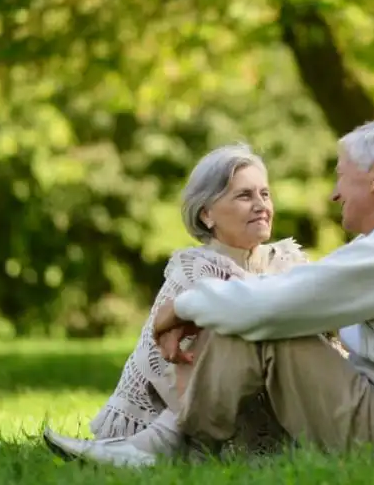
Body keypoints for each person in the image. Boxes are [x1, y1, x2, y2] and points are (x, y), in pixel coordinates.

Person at [147, 120, 374, 459]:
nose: (335, 194)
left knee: (264, 327)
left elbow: (274, 305)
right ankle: (172, 441)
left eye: (341, 177)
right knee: (263, 315)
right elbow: (297, 293)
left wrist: (181, 307)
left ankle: (177, 446)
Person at [43, 143, 319, 465]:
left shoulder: (289, 261)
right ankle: (153, 445)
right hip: (211, 422)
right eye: (245, 196)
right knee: (226, 326)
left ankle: (151, 450)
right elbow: (170, 357)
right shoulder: (197, 268)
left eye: (265, 194)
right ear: (207, 213)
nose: (261, 205)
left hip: (300, 410)